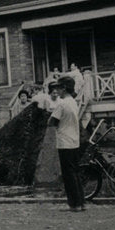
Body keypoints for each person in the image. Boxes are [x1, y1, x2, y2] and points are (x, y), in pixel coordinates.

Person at [48, 76, 85, 212]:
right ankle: (81, 202)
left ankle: (74, 204)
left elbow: (52, 122)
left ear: (64, 88)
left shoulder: (62, 104)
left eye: (58, 88)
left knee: (68, 174)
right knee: (75, 172)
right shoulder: (73, 102)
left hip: (64, 141)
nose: (57, 91)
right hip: (74, 140)